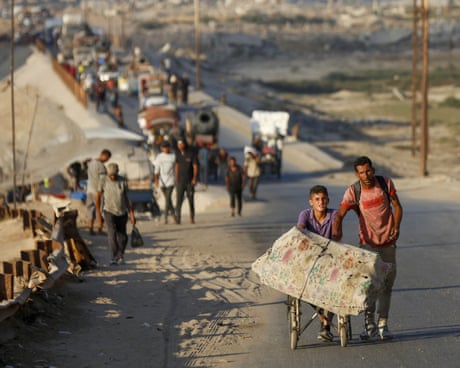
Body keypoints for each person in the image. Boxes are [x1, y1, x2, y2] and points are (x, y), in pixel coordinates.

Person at [332, 156, 403, 341]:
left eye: (369, 171)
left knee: (387, 284)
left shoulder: (385, 183)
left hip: (388, 241)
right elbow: (340, 213)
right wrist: (336, 232)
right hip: (367, 244)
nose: (366, 175)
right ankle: (369, 323)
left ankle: (383, 324)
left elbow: (397, 206)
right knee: (369, 285)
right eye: (362, 172)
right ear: (357, 174)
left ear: (373, 169)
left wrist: (396, 226)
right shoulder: (354, 191)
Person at [297, 185, 338, 342]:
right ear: (311, 202)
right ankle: (324, 318)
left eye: (324, 199)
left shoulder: (334, 215)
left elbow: (336, 234)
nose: (321, 202)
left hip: (330, 258)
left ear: (328, 200)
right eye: (317, 199)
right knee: (301, 287)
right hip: (311, 260)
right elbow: (300, 228)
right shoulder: (305, 215)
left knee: (335, 288)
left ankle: (325, 324)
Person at [96, 163, 136, 265]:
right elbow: (98, 198)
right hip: (108, 211)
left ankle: (120, 254)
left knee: (123, 237)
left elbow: (126, 198)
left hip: (122, 211)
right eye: (111, 175)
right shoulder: (103, 180)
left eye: (114, 175)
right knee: (112, 233)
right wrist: (99, 215)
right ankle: (114, 257)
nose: (112, 177)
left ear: (117, 173)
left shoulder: (122, 181)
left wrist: (131, 213)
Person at [86, 149, 111, 235]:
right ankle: (99, 229)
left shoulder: (91, 163)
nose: (107, 160)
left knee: (90, 209)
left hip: (89, 190)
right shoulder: (100, 166)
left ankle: (90, 229)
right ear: (104, 155)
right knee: (99, 210)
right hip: (98, 191)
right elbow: (102, 180)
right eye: (107, 158)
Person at [175, 138, 198, 224]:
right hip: (180, 181)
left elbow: (195, 167)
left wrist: (195, 178)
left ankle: (192, 217)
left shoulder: (191, 153)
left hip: (189, 181)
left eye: (181, 144)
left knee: (190, 200)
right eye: (178, 144)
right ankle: (178, 218)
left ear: (184, 144)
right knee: (179, 201)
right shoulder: (177, 154)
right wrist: (176, 178)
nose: (180, 146)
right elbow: (176, 166)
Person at [154, 140, 176, 224]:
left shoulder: (173, 156)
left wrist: (176, 178)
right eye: (163, 147)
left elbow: (176, 168)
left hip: (171, 180)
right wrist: (156, 180)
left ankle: (166, 217)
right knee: (168, 200)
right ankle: (174, 216)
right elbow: (157, 169)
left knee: (167, 199)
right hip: (162, 181)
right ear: (161, 148)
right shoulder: (159, 157)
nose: (165, 149)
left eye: (167, 147)